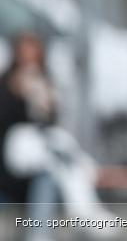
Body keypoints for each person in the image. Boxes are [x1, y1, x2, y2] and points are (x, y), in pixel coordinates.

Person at [0, 32, 114, 241]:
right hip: (14, 165)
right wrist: (17, 93)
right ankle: (80, 216)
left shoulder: (46, 81)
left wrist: (42, 100)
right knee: (57, 167)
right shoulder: (6, 83)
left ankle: (42, 232)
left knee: (51, 173)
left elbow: (50, 124)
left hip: (44, 162)